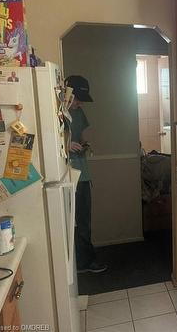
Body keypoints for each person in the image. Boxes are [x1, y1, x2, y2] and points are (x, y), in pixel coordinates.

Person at [66, 75, 107, 274]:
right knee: (71, 222)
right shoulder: (57, 113)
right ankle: (82, 262)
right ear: (67, 94)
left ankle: (84, 260)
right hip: (66, 175)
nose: (80, 102)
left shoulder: (79, 112)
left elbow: (81, 136)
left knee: (83, 219)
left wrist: (84, 144)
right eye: (77, 98)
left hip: (82, 174)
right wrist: (65, 146)